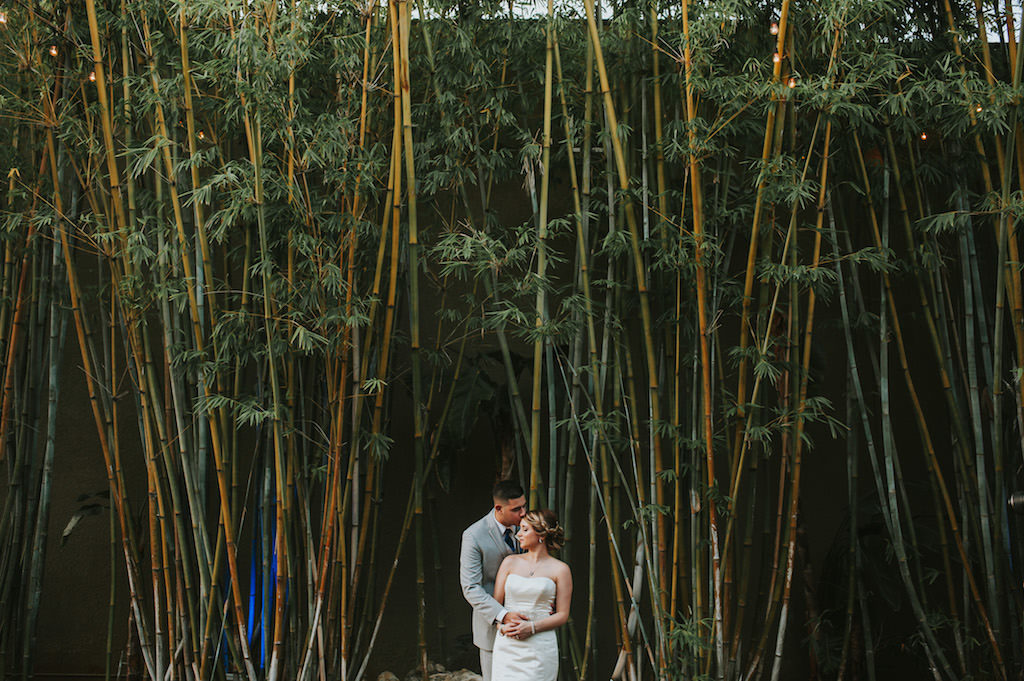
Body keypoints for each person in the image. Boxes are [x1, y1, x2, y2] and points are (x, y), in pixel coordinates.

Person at [490, 509, 571, 681]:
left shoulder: (560, 569)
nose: (519, 534)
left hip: (540, 645)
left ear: (541, 534)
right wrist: (501, 627)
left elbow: (563, 615)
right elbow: (495, 606)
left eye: (525, 529)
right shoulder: (509, 562)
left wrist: (532, 627)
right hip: (508, 645)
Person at [459, 481, 529, 681]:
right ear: (498, 508)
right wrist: (503, 615)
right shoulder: (474, 535)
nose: (523, 513)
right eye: (516, 509)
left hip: (527, 623)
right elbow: (471, 587)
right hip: (492, 628)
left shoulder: (528, 526)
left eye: (524, 506)